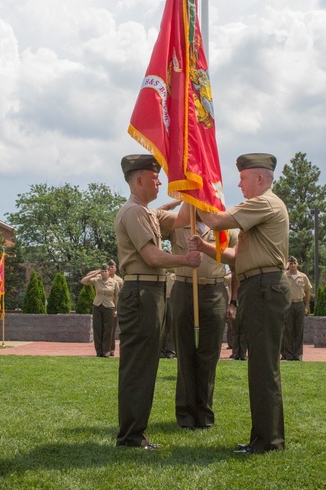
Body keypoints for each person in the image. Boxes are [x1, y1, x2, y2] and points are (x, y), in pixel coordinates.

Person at [191, 153, 290, 455]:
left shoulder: (264, 202)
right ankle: (264, 438)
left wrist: (195, 192)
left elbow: (218, 220)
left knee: (263, 368)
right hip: (258, 286)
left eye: (243, 178)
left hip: (264, 288)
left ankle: (268, 441)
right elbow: (238, 257)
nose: (238, 183)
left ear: (260, 179)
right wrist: (205, 247)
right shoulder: (262, 206)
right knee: (261, 367)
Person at [113, 154, 201, 451]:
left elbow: (180, 219)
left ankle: (134, 434)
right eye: (154, 177)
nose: (160, 181)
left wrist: (192, 186)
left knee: (144, 365)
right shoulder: (134, 213)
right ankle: (131, 437)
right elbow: (151, 256)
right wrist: (184, 260)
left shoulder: (147, 212)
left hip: (150, 293)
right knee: (139, 367)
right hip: (142, 293)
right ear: (139, 180)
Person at [167, 223, 235, 429]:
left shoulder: (225, 228)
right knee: (184, 353)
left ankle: (204, 415)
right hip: (184, 288)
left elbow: (236, 264)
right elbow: (152, 221)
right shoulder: (176, 224)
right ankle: (186, 415)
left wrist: (234, 302)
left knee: (209, 354)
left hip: (214, 290)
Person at [81, 262, 121, 357]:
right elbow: (83, 281)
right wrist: (96, 273)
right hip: (97, 306)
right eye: (102, 271)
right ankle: (98, 351)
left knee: (108, 330)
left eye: (105, 271)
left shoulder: (114, 282)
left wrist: (117, 309)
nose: (103, 273)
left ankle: (106, 351)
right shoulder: (97, 280)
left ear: (109, 272)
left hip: (109, 307)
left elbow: (117, 297)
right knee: (97, 329)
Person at [281, 256, 312, 361]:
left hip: (299, 304)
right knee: (288, 330)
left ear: (297, 264)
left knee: (299, 330)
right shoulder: (284, 276)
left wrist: (306, 306)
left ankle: (298, 355)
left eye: (294, 263)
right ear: (288, 265)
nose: (292, 265)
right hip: (288, 305)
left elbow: (308, 292)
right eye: (290, 263)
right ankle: (288, 354)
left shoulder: (303, 276)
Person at [160, 271, 176, 358]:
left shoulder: (174, 275)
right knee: (161, 326)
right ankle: (161, 350)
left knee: (170, 326)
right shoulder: (161, 274)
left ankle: (170, 350)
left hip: (171, 299)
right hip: (161, 298)